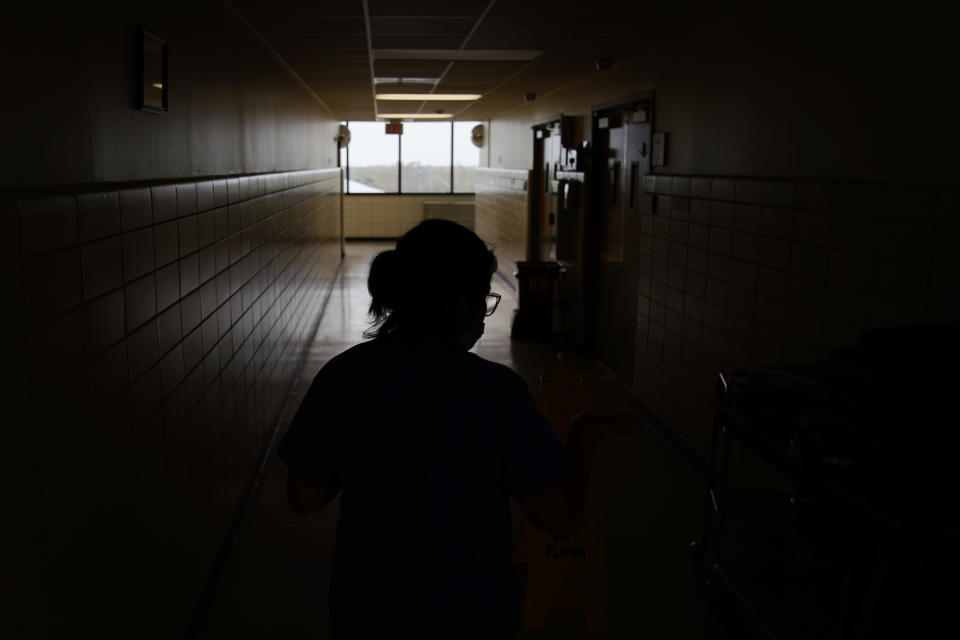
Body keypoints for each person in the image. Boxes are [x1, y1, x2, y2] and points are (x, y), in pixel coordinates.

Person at [277, 220, 627, 639]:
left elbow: (304, 494)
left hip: (368, 609)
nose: (484, 310)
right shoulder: (498, 393)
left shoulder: (344, 377)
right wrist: (584, 434)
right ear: (459, 302)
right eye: (482, 297)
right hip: (472, 612)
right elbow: (555, 517)